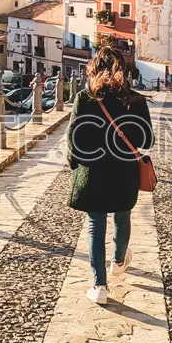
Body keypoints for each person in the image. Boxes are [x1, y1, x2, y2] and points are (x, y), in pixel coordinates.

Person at [67, 47, 154, 304]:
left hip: (93, 172)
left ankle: (100, 286)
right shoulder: (135, 100)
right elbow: (146, 139)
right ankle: (118, 262)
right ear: (122, 70)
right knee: (122, 216)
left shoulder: (85, 98)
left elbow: (73, 140)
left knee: (96, 226)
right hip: (124, 171)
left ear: (94, 69)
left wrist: (75, 165)